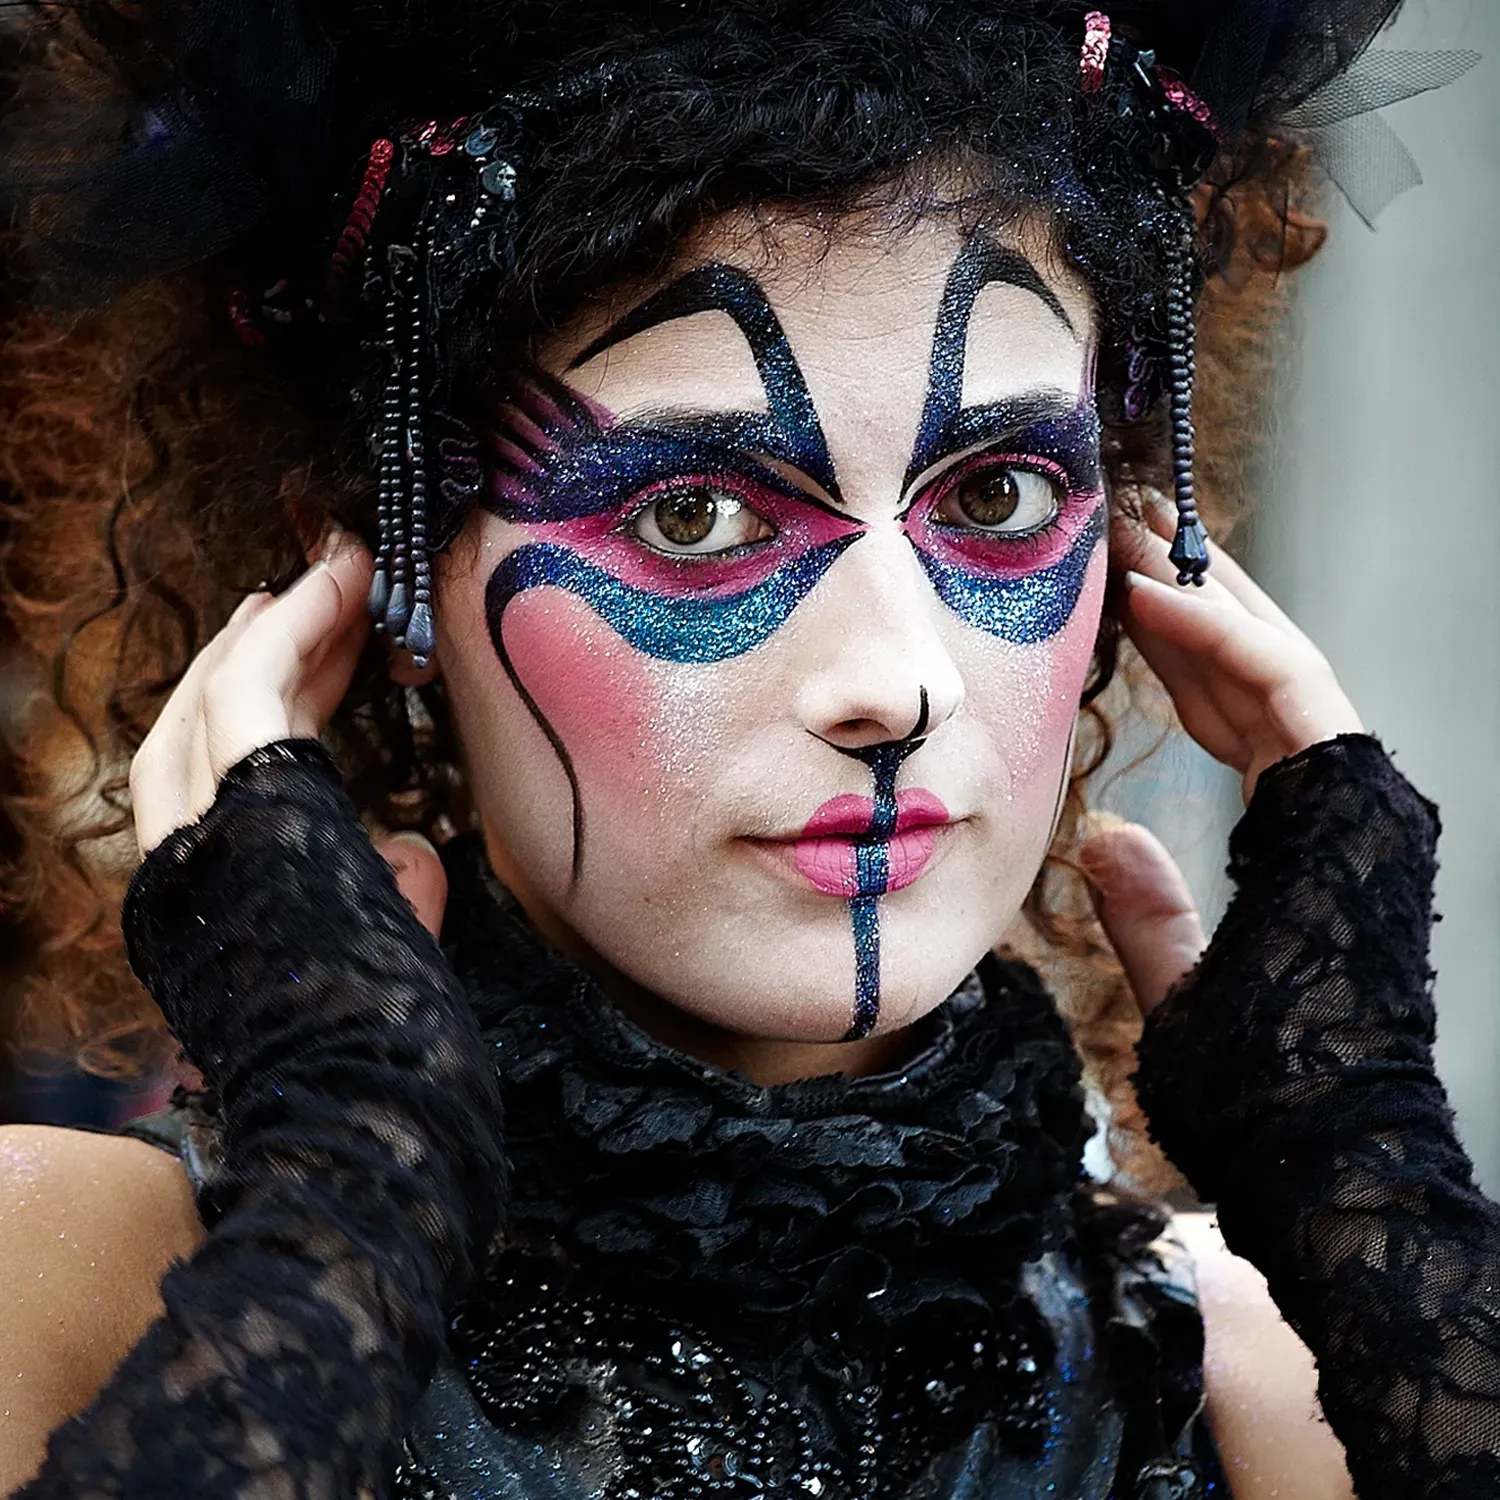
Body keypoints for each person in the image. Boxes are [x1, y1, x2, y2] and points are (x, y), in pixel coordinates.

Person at [0, 2, 1493, 1496]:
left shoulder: (1280, 1369)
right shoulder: (65, 1284)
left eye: (997, 501)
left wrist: (1357, 1170)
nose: (902, 684)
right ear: (382, 573)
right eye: (692, 516)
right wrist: (349, 1207)